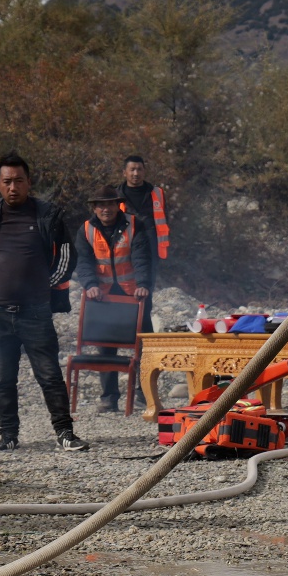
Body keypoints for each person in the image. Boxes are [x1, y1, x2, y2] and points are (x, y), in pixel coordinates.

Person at [0, 154, 85, 451]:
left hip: (36, 313)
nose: (13, 187)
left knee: (49, 375)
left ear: (29, 183)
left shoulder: (48, 216)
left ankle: (65, 433)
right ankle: (8, 436)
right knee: (4, 379)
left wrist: (44, 289)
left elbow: (67, 258)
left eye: (19, 180)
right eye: (7, 182)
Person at [73, 186, 153, 413]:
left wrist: (143, 285)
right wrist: (90, 286)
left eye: (109, 204)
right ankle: (109, 398)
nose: (105, 209)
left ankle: (144, 395)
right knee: (105, 347)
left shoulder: (134, 224)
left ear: (117, 205)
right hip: (104, 297)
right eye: (100, 204)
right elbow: (84, 262)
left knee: (144, 347)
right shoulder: (86, 230)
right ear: (94, 208)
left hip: (133, 294)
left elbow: (142, 257)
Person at [116, 155, 168, 333]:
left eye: (139, 169)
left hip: (151, 249)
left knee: (145, 291)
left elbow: (163, 221)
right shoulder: (116, 195)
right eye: (132, 169)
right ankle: (121, 334)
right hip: (123, 250)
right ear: (125, 172)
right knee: (121, 290)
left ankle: (144, 337)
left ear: (144, 171)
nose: (136, 173)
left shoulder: (157, 193)